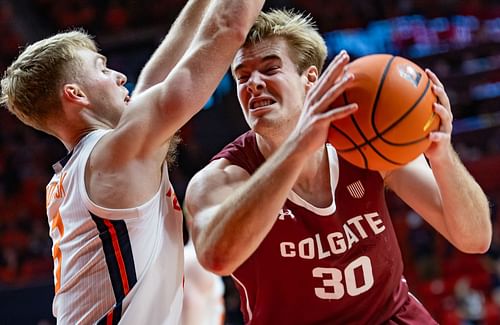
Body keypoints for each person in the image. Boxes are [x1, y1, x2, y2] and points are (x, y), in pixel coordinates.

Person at [184, 9, 492, 324]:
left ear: (311, 80)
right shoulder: (222, 178)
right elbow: (216, 258)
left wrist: (441, 154)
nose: (254, 83)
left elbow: (475, 238)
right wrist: (297, 148)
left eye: (270, 68)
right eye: (243, 75)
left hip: (391, 317)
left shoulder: (365, 141)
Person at [0, 0, 264, 323]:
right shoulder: (114, 157)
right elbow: (227, 30)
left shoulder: (86, 166)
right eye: (102, 68)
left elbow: (157, 75)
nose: (121, 77)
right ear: (76, 94)